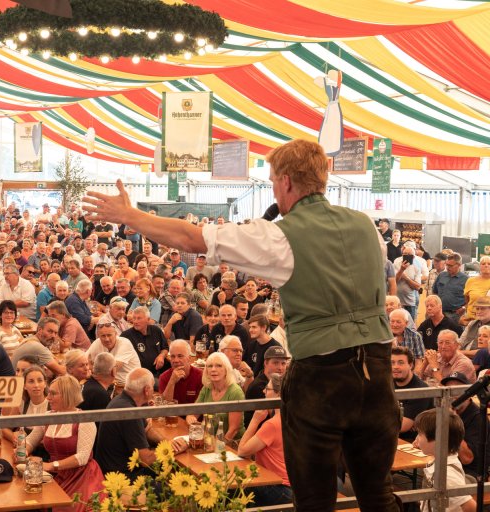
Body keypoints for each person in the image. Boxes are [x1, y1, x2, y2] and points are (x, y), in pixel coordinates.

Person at [83, 138, 400, 510]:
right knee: (378, 495)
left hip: (322, 378)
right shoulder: (366, 227)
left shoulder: (281, 235)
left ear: (284, 182)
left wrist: (131, 216)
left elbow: (190, 237)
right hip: (377, 374)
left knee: (315, 500)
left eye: (271, 182)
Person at [25, 375, 104, 512]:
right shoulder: (48, 416)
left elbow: (82, 457)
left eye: (53, 394)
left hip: (81, 477)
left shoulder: (85, 420)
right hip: (55, 476)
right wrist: (23, 450)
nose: (48, 397)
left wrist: (51, 465)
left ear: (67, 395)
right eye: (48, 393)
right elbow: (31, 440)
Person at [94, 368, 161, 480]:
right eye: (153, 388)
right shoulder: (130, 413)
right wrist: (169, 450)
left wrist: (166, 442)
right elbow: (146, 460)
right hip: (121, 479)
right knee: (170, 488)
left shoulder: (121, 400)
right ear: (147, 390)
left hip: (111, 470)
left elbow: (147, 430)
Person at [237, 374, 292, 507]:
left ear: (278, 394)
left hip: (279, 486)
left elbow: (242, 451)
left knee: (236, 489)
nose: (263, 391)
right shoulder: (293, 417)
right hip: (295, 485)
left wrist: (255, 420)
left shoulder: (272, 424)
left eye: (267, 389)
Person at [414, 408, 476, 512]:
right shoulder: (442, 461)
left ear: (438, 441)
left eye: (420, 434)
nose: (416, 438)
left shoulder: (447, 475)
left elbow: (470, 507)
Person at [187, 352, 244, 443]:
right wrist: (190, 418)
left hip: (232, 443)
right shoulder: (207, 388)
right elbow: (193, 413)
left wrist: (217, 446)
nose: (213, 369)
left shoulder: (235, 391)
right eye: (210, 366)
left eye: (219, 366)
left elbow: (234, 429)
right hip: (210, 440)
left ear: (226, 370)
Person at [390, 346, 431, 442]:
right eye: (392, 363)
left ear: (411, 365)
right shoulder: (387, 383)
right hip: (391, 437)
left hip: (414, 442)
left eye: (401, 362)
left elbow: (402, 426)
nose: (395, 367)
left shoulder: (420, 390)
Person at [121, 306, 169, 380]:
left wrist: (161, 356)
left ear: (148, 320)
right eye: (134, 318)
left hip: (160, 371)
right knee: (164, 386)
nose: (136, 321)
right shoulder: (126, 336)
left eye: (139, 318)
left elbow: (165, 348)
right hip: (141, 376)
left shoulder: (156, 330)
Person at [85, 322, 140, 386]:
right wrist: (88, 367)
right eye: (103, 336)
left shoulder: (125, 343)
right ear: (99, 336)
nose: (106, 339)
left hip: (129, 385)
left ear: (116, 334)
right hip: (108, 383)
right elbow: (83, 360)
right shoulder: (97, 342)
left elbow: (112, 371)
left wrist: (91, 369)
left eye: (109, 335)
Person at [159, 340, 203, 404]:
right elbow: (164, 406)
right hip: (172, 413)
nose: (176, 360)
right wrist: (172, 381)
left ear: (189, 358)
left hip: (193, 413)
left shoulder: (200, 376)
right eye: (173, 356)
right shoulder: (164, 377)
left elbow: (200, 406)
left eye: (180, 356)